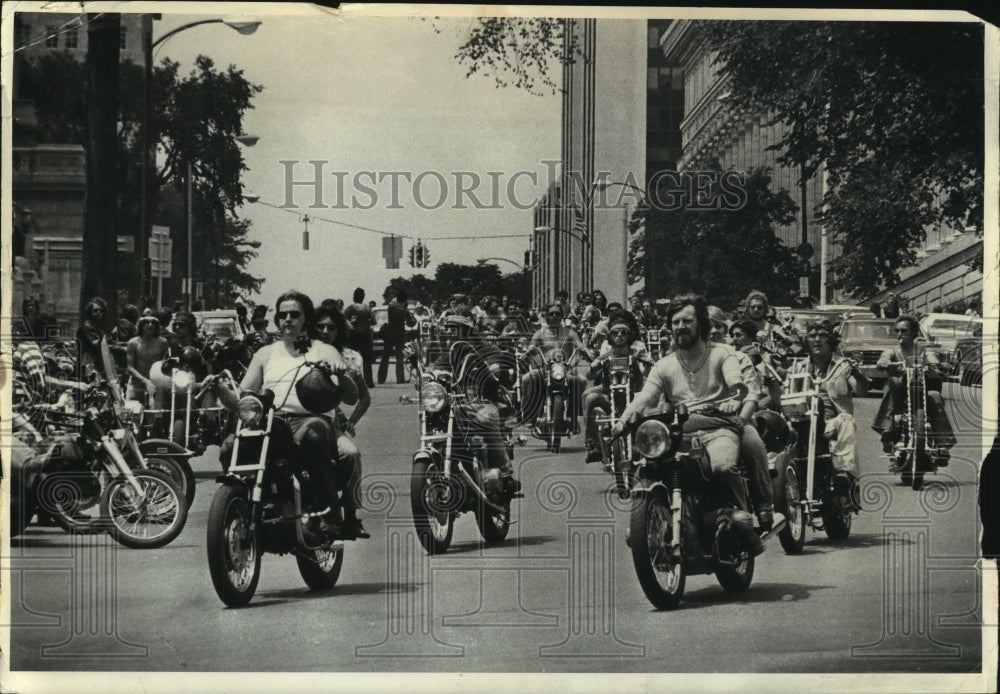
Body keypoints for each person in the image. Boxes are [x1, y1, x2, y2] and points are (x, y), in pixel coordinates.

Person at [612, 294, 765, 554]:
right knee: (646, 469)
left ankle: (742, 525)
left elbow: (736, 382)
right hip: (677, 432)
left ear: (701, 323)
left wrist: (734, 398)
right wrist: (622, 422)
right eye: (675, 322)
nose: (680, 327)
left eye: (687, 321)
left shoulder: (722, 354)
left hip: (717, 429)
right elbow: (644, 397)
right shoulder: (664, 365)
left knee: (723, 468)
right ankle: (642, 524)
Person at [235, 290, 359, 536]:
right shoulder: (265, 353)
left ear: (306, 319)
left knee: (320, 436)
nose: (288, 320)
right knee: (231, 446)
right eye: (283, 315)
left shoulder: (322, 350)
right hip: (271, 420)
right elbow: (243, 395)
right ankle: (241, 504)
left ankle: (328, 512)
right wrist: (220, 389)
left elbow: (352, 398)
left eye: (294, 314)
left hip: (310, 419)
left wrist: (339, 372)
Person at [423, 314, 521, 492]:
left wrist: (491, 370)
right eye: (448, 328)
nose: (449, 332)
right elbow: (437, 370)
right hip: (455, 402)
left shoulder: (486, 348)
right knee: (431, 416)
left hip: (483, 399)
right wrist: (429, 378)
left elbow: (496, 369)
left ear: (467, 330)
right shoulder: (451, 352)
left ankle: (506, 473)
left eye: (454, 329)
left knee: (486, 418)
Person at [788, 320, 868, 504]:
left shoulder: (843, 366)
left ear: (831, 340)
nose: (817, 340)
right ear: (806, 341)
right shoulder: (798, 367)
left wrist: (857, 373)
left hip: (832, 423)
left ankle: (844, 474)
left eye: (822, 335)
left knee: (846, 420)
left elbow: (861, 390)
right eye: (812, 336)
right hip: (803, 422)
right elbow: (785, 398)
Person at [314, 304, 371, 539]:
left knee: (351, 454)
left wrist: (350, 422)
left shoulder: (349, 358)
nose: (325, 331)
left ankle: (351, 516)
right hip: (297, 418)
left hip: (328, 422)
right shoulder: (301, 352)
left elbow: (363, 398)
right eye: (320, 327)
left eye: (331, 327)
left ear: (339, 330)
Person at [873, 314, 957, 465]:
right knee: (892, 382)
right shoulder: (893, 351)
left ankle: (942, 445)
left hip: (922, 390)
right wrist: (884, 362)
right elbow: (884, 357)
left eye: (904, 331)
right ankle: (888, 430)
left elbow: (931, 357)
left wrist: (935, 365)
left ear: (913, 332)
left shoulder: (922, 350)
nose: (899, 334)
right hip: (900, 392)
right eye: (897, 331)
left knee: (935, 395)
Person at [583, 317, 650, 463]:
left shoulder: (636, 353)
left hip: (634, 395)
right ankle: (592, 443)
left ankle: (653, 440)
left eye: (623, 333)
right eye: (615, 333)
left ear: (629, 336)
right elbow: (589, 376)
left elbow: (653, 367)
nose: (619, 335)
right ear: (610, 336)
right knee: (590, 398)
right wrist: (592, 368)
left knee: (653, 399)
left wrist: (648, 361)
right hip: (610, 394)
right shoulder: (605, 357)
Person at [522, 302, 592, 432]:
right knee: (527, 378)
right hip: (545, 369)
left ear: (562, 316)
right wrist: (527, 353)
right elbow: (531, 347)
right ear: (546, 316)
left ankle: (573, 415)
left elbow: (580, 348)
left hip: (565, 369)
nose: (554, 316)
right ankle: (530, 414)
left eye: (557, 314)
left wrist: (586, 354)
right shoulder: (539, 334)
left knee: (581, 381)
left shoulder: (570, 333)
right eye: (551, 314)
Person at [125, 315, 169, 404]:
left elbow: (164, 364)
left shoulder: (162, 342)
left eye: (153, 323)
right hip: (135, 384)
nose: (150, 325)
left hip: (155, 384)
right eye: (147, 323)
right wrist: (145, 381)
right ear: (141, 326)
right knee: (132, 410)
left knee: (155, 410)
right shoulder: (133, 342)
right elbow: (130, 367)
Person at [378, 290, 417, 384]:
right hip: (397, 333)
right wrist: (405, 309)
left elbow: (408, 319)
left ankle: (382, 378)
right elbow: (405, 318)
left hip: (392, 334)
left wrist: (405, 309)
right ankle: (398, 379)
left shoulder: (393, 305)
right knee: (397, 357)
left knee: (388, 357)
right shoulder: (397, 308)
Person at [344, 287, 377, 388]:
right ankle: (369, 382)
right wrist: (366, 322)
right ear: (363, 297)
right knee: (367, 360)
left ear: (354, 297)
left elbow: (344, 320)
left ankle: (352, 380)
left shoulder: (349, 308)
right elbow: (374, 321)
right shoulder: (367, 309)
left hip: (353, 336)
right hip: (365, 335)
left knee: (352, 359)